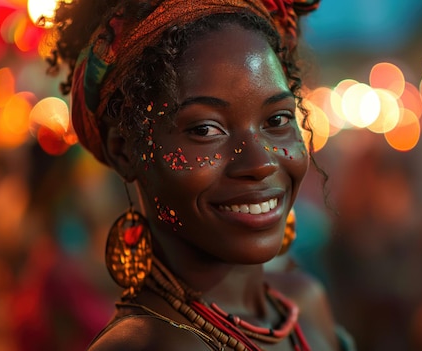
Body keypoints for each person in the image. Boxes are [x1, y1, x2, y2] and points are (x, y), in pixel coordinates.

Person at [47, 0, 353, 350]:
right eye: (206, 129)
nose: (260, 163)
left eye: (277, 120)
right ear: (124, 151)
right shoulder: (145, 346)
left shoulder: (304, 304)